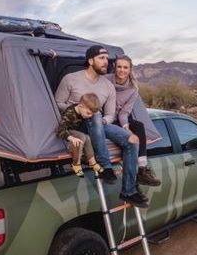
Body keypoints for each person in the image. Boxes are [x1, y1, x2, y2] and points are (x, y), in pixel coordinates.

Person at [55, 45, 147, 208]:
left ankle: (129, 191)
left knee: (133, 140)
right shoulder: (71, 79)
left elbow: (110, 115)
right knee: (95, 114)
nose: (106, 62)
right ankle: (106, 166)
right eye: (101, 58)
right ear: (91, 61)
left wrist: (102, 121)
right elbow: (57, 103)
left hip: (98, 124)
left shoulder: (107, 86)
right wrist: (79, 108)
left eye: (106, 58)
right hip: (76, 124)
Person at [106, 55, 161, 187]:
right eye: (119, 66)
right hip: (106, 117)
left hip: (120, 117)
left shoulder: (132, 89)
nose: (122, 70)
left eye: (125, 67)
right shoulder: (105, 80)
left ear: (130, 70)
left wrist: (126, 127)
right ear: (115, 67)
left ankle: (142, 170)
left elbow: (124, 113)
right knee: (127, 139)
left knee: (139, 126)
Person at [56, 93, 104, 177]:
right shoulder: (69, 113)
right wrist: (71, 138)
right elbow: (60, 130)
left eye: (91, 114)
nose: (90, 116)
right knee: (81, 138)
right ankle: (76, 164)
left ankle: (92, 162)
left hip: (77, 132)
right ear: (81, 106)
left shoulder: (82, 112)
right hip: (68, 132)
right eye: (88, 113)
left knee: (87, 137)